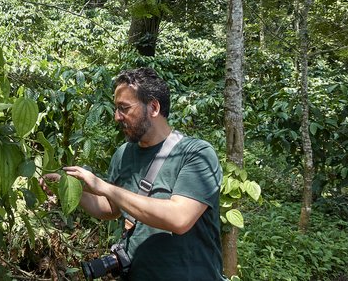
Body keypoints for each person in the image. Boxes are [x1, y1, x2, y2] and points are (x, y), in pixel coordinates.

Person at [41, 67, 224, 280]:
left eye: (124, 108)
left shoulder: (196, 153)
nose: (117, 117)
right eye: (116, 108)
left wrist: (104, 187)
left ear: (153, 107)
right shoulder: (124, 154)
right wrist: (69, 190)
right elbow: (111, 208)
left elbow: (179, 218)